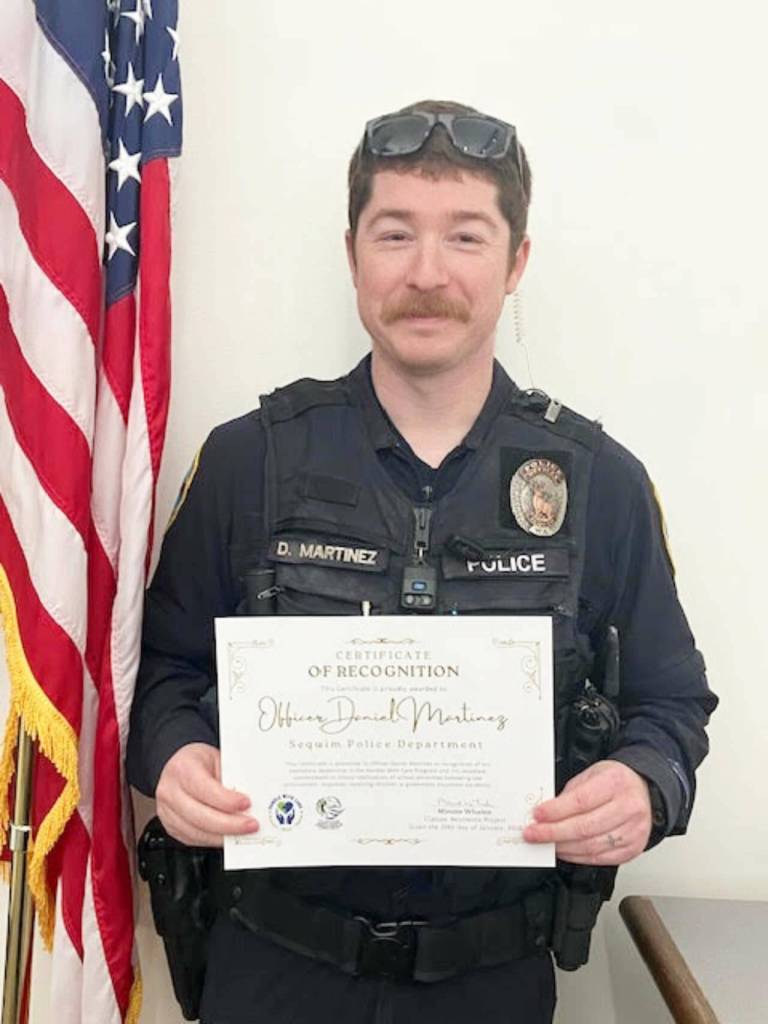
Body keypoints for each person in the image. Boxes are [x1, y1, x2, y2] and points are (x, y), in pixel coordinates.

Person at [127, 100, 717, 1024]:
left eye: (467, 237)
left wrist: (643, 783)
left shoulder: (599, 482)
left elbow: (673, 702)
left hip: (490, 983)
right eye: (395, 232)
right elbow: (157, 671)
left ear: (517, 260)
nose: (428, 274)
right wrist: (175, 756)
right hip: (271, 970)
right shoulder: (249, 460)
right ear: (353, 252)